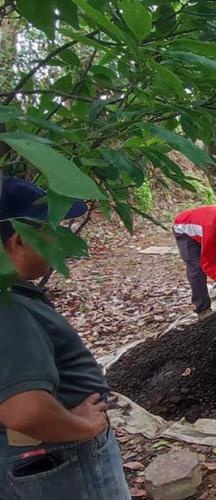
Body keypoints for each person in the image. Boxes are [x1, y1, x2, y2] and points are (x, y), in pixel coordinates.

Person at [0, 177, 129, 499]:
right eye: (51, 230)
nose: (60, 241)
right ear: (18, 240)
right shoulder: (8, 310)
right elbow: (24, 411)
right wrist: (83, 427)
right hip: (63, 461)